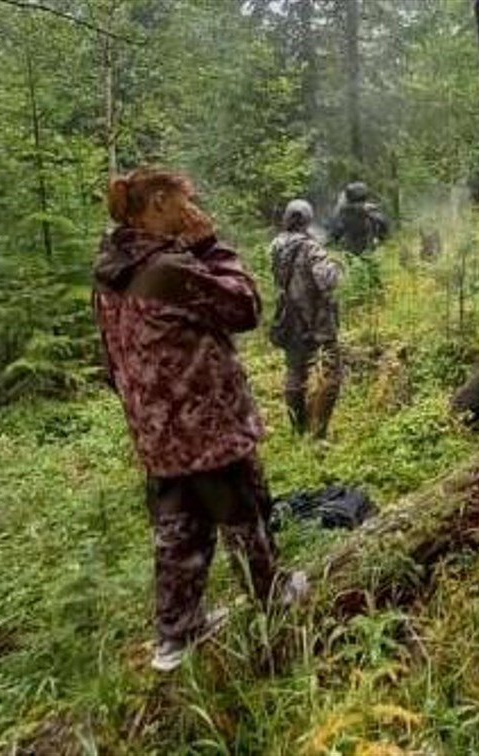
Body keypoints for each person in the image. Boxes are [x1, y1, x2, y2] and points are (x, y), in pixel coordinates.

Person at [92, 168, 304, 672]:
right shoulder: (168, 268)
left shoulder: (109, 271)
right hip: (205, 425)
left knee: (177, 528)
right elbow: (245, 305)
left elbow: (107, 360)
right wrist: (209, 243)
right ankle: (273, 603)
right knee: (243, 515)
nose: (193, 208)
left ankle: (176, 635)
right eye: (186, 200)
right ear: (160, 203)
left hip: (157, 431)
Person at [269, 199, 342, 439]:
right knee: (330, 372)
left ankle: (297, 429)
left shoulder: (276, 245)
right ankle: (318, 432)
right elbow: (327, 282)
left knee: (295, 373)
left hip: (289, 317)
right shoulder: (312, 248)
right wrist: (336, 264)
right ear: (308, 220)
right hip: (317, 318)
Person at [328, 181, 391, 255]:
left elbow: (334, 234)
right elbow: (385, 231)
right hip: (369, 254)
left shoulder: (343, 213)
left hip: (348, 255)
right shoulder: (372, 211)